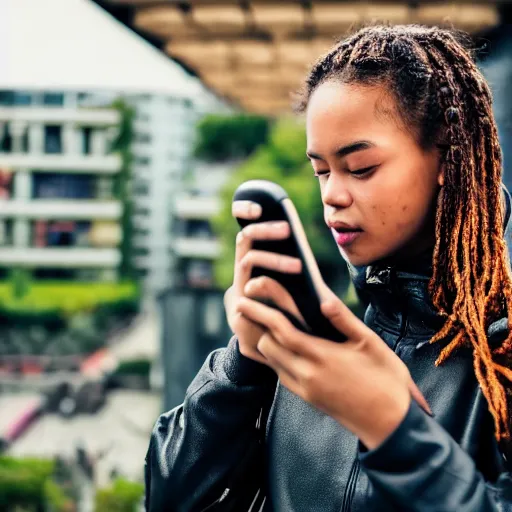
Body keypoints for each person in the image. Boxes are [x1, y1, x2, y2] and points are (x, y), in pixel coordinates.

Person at [144, 24, 512, 511]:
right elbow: (171, 500)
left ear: (446, 154)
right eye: (321, 171)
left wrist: (394, 431)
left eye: (360, 168)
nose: (333, 195)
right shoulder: (305, 358)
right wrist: (242, 365)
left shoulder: (498, 366)